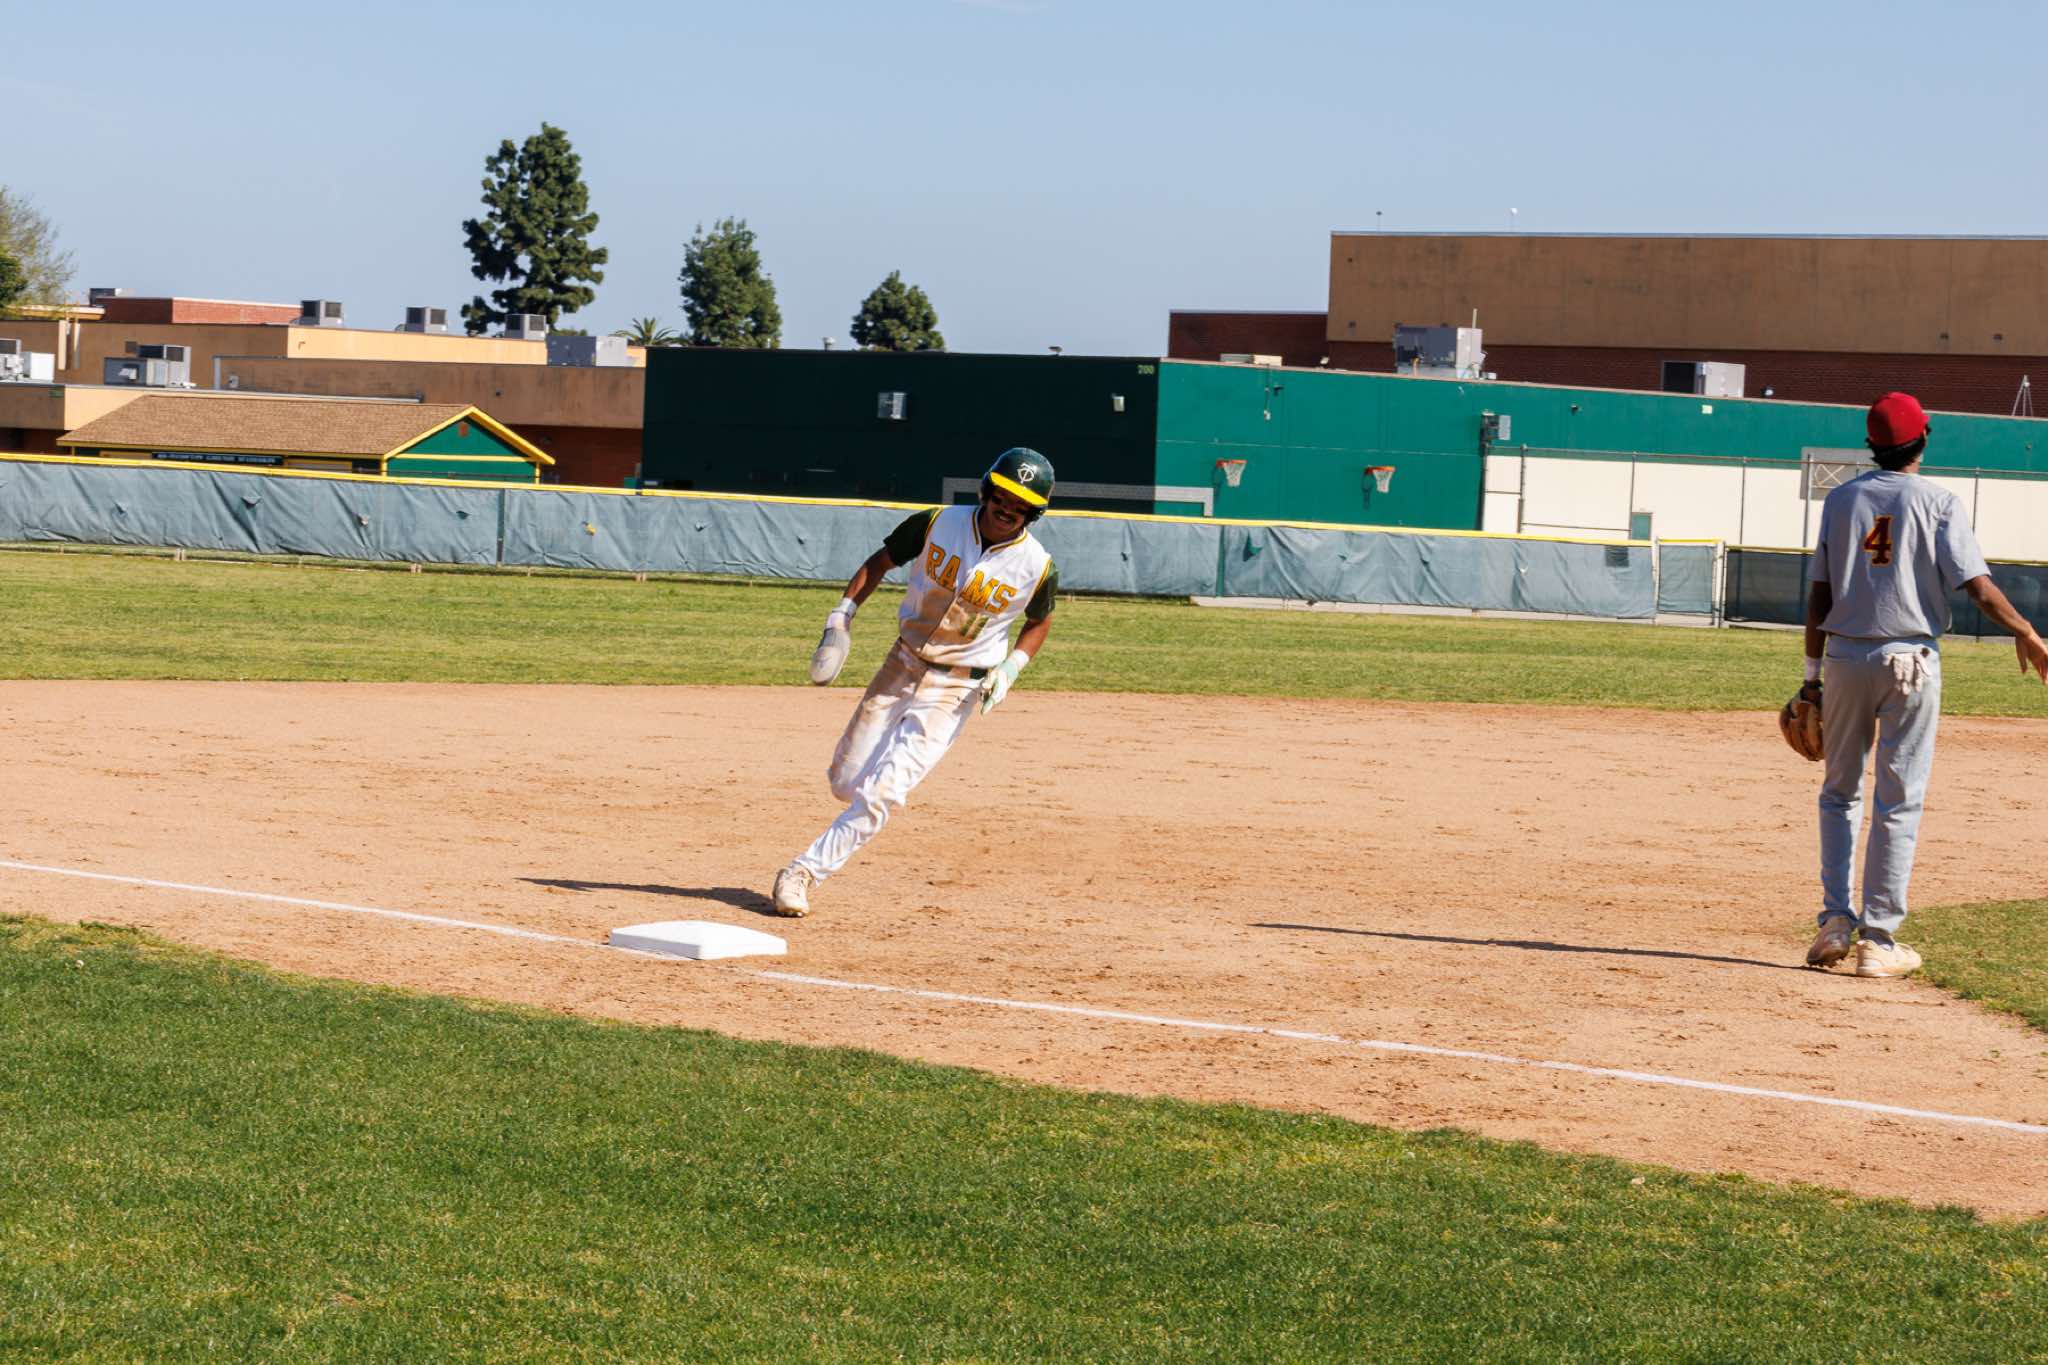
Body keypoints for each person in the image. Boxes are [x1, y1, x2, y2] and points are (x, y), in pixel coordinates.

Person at [1801, 392, 2048, 976]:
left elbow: (1819, 594)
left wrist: (1810, 678)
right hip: (1910, 659)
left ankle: (1835, 921)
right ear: (1924, 439)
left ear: (1871, 444)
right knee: (1898, 798)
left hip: (1844, 658)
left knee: (1839, 793)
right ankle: (1878, 940)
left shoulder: (1840, 499)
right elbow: (1978, 587)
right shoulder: (1939, 501)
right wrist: (2027, 631)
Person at [770, 448, 1060, 917]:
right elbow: (881, 562)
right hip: (902, 664)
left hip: (957, 689)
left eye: (1021, 504)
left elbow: (1039, 621)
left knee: (884, 793)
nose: (1008, 509)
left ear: (1034, 512)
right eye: (1003, 496)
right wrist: (841, 617)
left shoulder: (1037, 565)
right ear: (987, 491)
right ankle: (858, 801)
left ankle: (802, 872)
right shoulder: (937, 523)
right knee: (846, 784)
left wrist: (1012, 668)